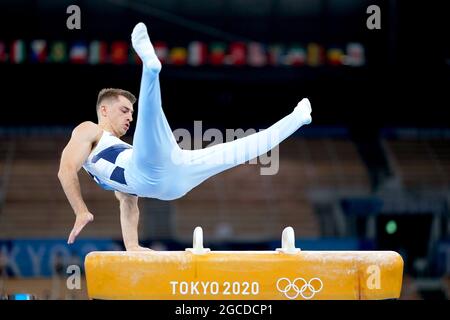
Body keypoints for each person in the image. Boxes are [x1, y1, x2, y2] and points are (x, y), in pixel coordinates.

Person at [57, 22, 312, 251]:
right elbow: (66, 169)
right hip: (156, 180)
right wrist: (82, 212)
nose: (129, 117)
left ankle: (297, 118)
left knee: (240, 150)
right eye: (124, 110)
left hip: (169, 173)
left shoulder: (122, 150)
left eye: (131, 113)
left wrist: (132, 245)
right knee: (150, 116)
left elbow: (129, 203)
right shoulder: (89, 129)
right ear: (104, 109)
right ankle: (150, 68)